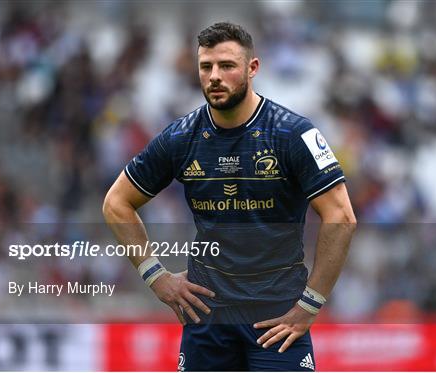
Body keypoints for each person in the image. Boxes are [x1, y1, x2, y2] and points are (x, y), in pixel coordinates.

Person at [103, 22, 356, 371]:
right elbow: (116, 203)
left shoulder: (292, 134)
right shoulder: (180, 138)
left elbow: (341, 217)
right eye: (206, 67)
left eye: (227, 66)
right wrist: (155, 276)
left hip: (276, 319)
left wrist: (310, 305)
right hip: (207, 316)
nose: (214, 76)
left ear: (252, 68)